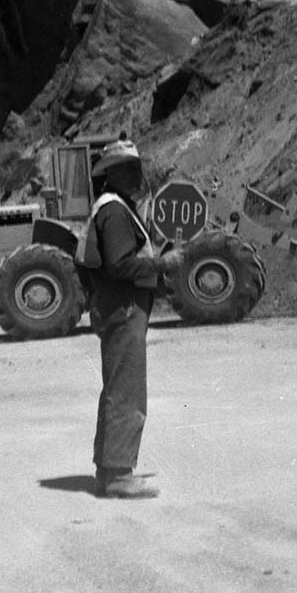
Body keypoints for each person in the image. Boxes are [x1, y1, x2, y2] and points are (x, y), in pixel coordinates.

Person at [79, 139, 183, 499]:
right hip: (123, 308)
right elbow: (120, 265)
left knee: (118, 387)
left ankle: (108, 468)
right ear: (110, 174)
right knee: (127, 390)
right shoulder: (114, 211)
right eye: (126, 167)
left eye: (135, 166)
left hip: (118, 307)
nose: (135, 173)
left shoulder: (115, 208)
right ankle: (118, 475)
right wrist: (162, 264)